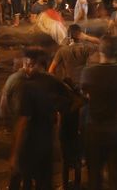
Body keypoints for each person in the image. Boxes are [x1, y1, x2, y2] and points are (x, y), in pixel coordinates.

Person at [10, 47, 73, 190]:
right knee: (44, 183)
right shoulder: (53, 81)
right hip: (47, 142)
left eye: (27, 64)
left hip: (29, 143)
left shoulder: (28, 87)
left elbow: (23, 121)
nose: (25, 68)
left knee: (26, 181)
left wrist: (14, 153)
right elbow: (73, 100)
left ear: (33, 63)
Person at [80, 36, 117, 190]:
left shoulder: (89, 72)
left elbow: (85, 94)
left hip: (94, 128)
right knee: (116, 175)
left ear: (100, 51)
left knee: (94, 175)